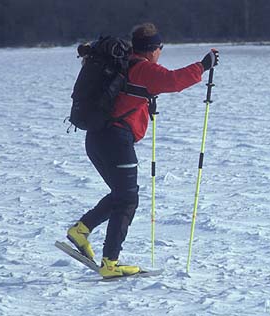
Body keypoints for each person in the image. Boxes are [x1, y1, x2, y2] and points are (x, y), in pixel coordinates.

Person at [66, 22, 219, 278]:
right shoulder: (142, 68)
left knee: (122, 195)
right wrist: (203, 65)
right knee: (127, 199)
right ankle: (109, 263)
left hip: (97, 139)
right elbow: (174, 81)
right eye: (160, 48)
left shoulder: (126, 63)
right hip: (115, 140)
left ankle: (81, 230)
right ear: (152, 49)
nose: (160, 53)